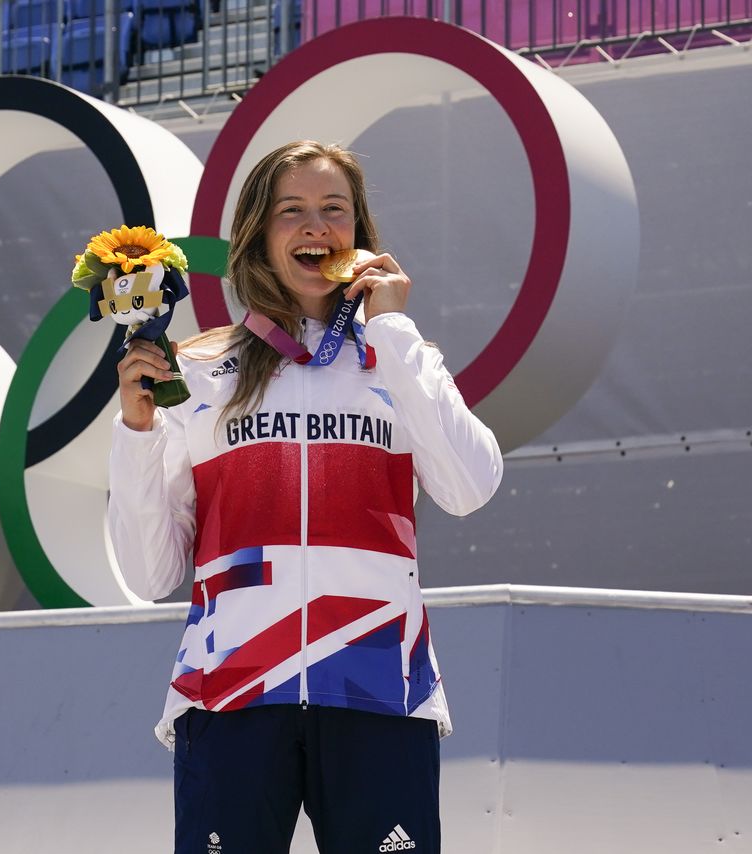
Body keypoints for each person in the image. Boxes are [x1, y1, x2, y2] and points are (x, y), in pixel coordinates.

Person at [107, 140, 503, 854]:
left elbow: (471, 487)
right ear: (259, 233)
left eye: (334, 210)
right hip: (229, 693)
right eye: (292, 211)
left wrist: (392, 330)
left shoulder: (398, 357)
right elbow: (149, 574)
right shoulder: (197, 374)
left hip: (381, 686)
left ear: (360, 233)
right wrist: (136, 433)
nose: (315, 226)